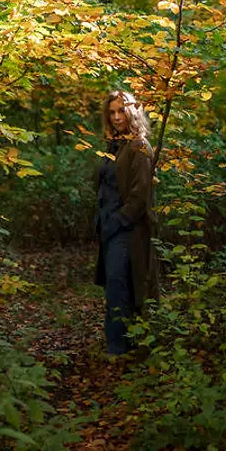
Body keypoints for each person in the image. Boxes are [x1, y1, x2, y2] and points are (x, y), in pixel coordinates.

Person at [92, 91, 157, 357]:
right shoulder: (114, 145)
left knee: (123, 284)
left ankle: (119, 348)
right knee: (114, 284)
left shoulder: (139, 146)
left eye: (121, 111)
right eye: (112, 112)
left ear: (132, 112)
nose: (117, 117)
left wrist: (119, 220)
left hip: (127, 228)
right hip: (109, 225)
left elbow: (141, 194)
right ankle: (122, 343)